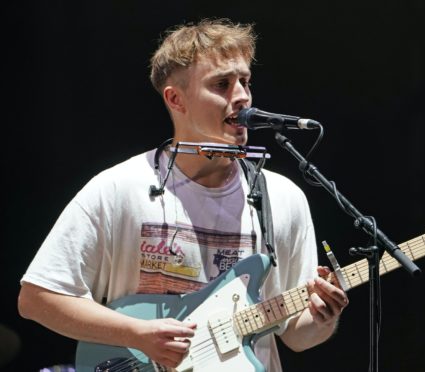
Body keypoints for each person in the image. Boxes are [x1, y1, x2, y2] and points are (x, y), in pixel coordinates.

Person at [18, 18, 349, 372]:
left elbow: (297, 336)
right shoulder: (119, 188)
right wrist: (137, 333)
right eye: (222, 84)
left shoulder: (283, 198)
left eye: (245, 82)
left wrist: (323, 317)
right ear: (176, 99)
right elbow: (37, 299)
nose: (241, 96)